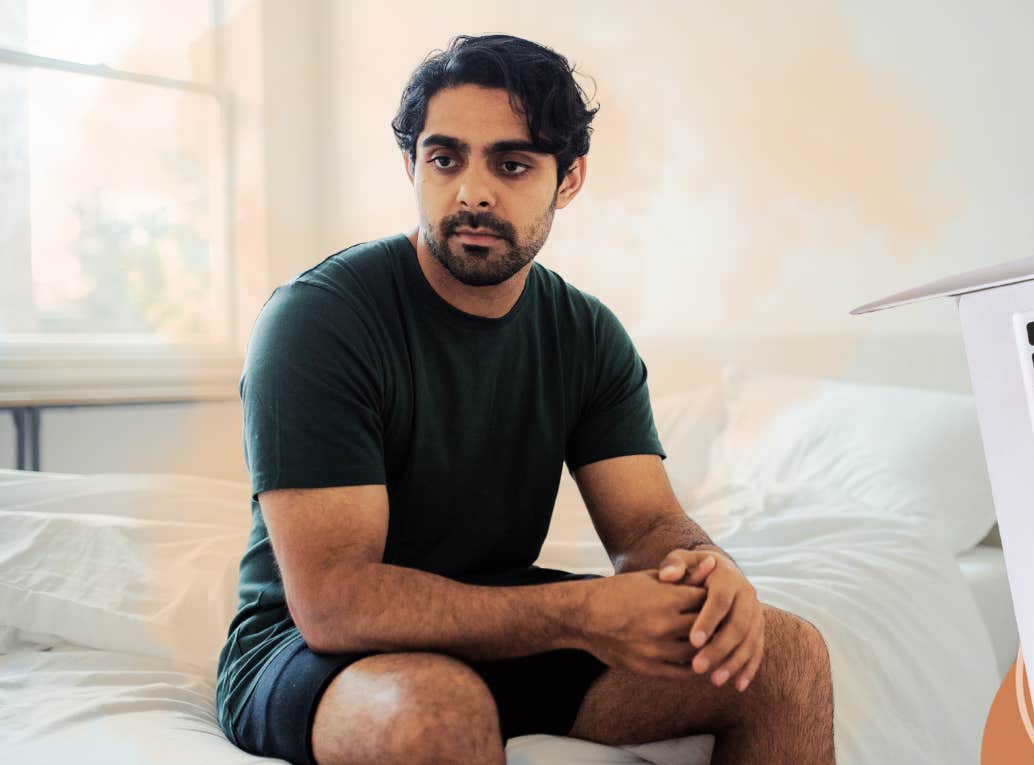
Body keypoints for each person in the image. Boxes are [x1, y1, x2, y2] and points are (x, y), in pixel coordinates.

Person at [213, 33, 835, 765]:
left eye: (512, 163)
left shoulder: (587, 334)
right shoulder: (319, 319)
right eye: (445, 159)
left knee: (787, 657)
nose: (473, 191)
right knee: (436, 708)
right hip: (309, 649)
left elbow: (645, 526)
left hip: (502, 625)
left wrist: (707, 568)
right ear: (412, 165)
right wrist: (579, 612)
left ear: (568, 180)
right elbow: (333, 601)